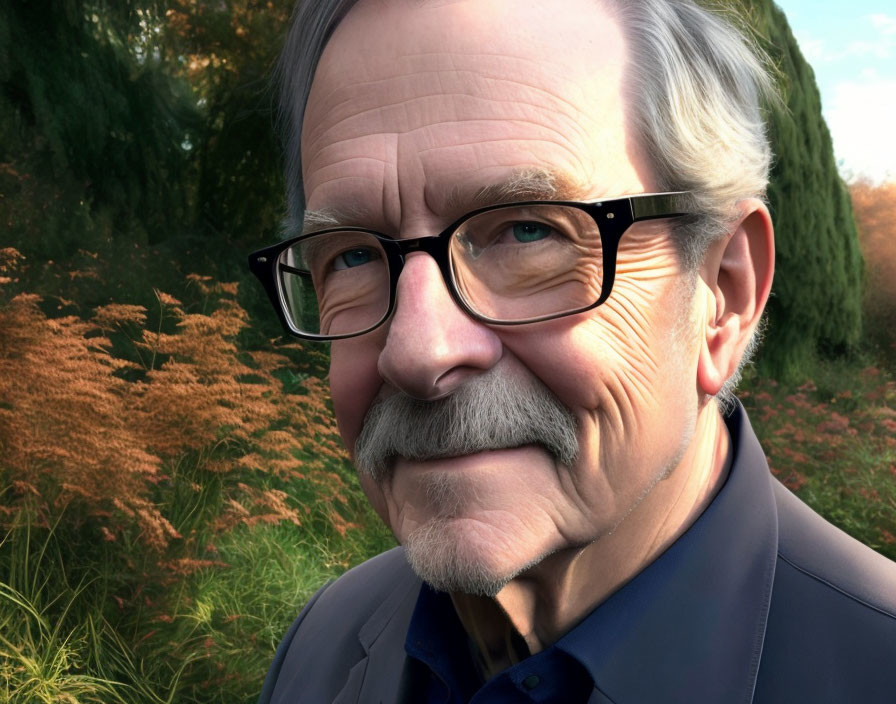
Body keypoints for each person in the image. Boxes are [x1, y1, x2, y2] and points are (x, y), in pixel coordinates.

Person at [249, 0, 896, 701]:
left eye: (528, 233)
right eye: (351, 256)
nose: (417, 350)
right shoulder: (322, 643)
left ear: (722, 296)